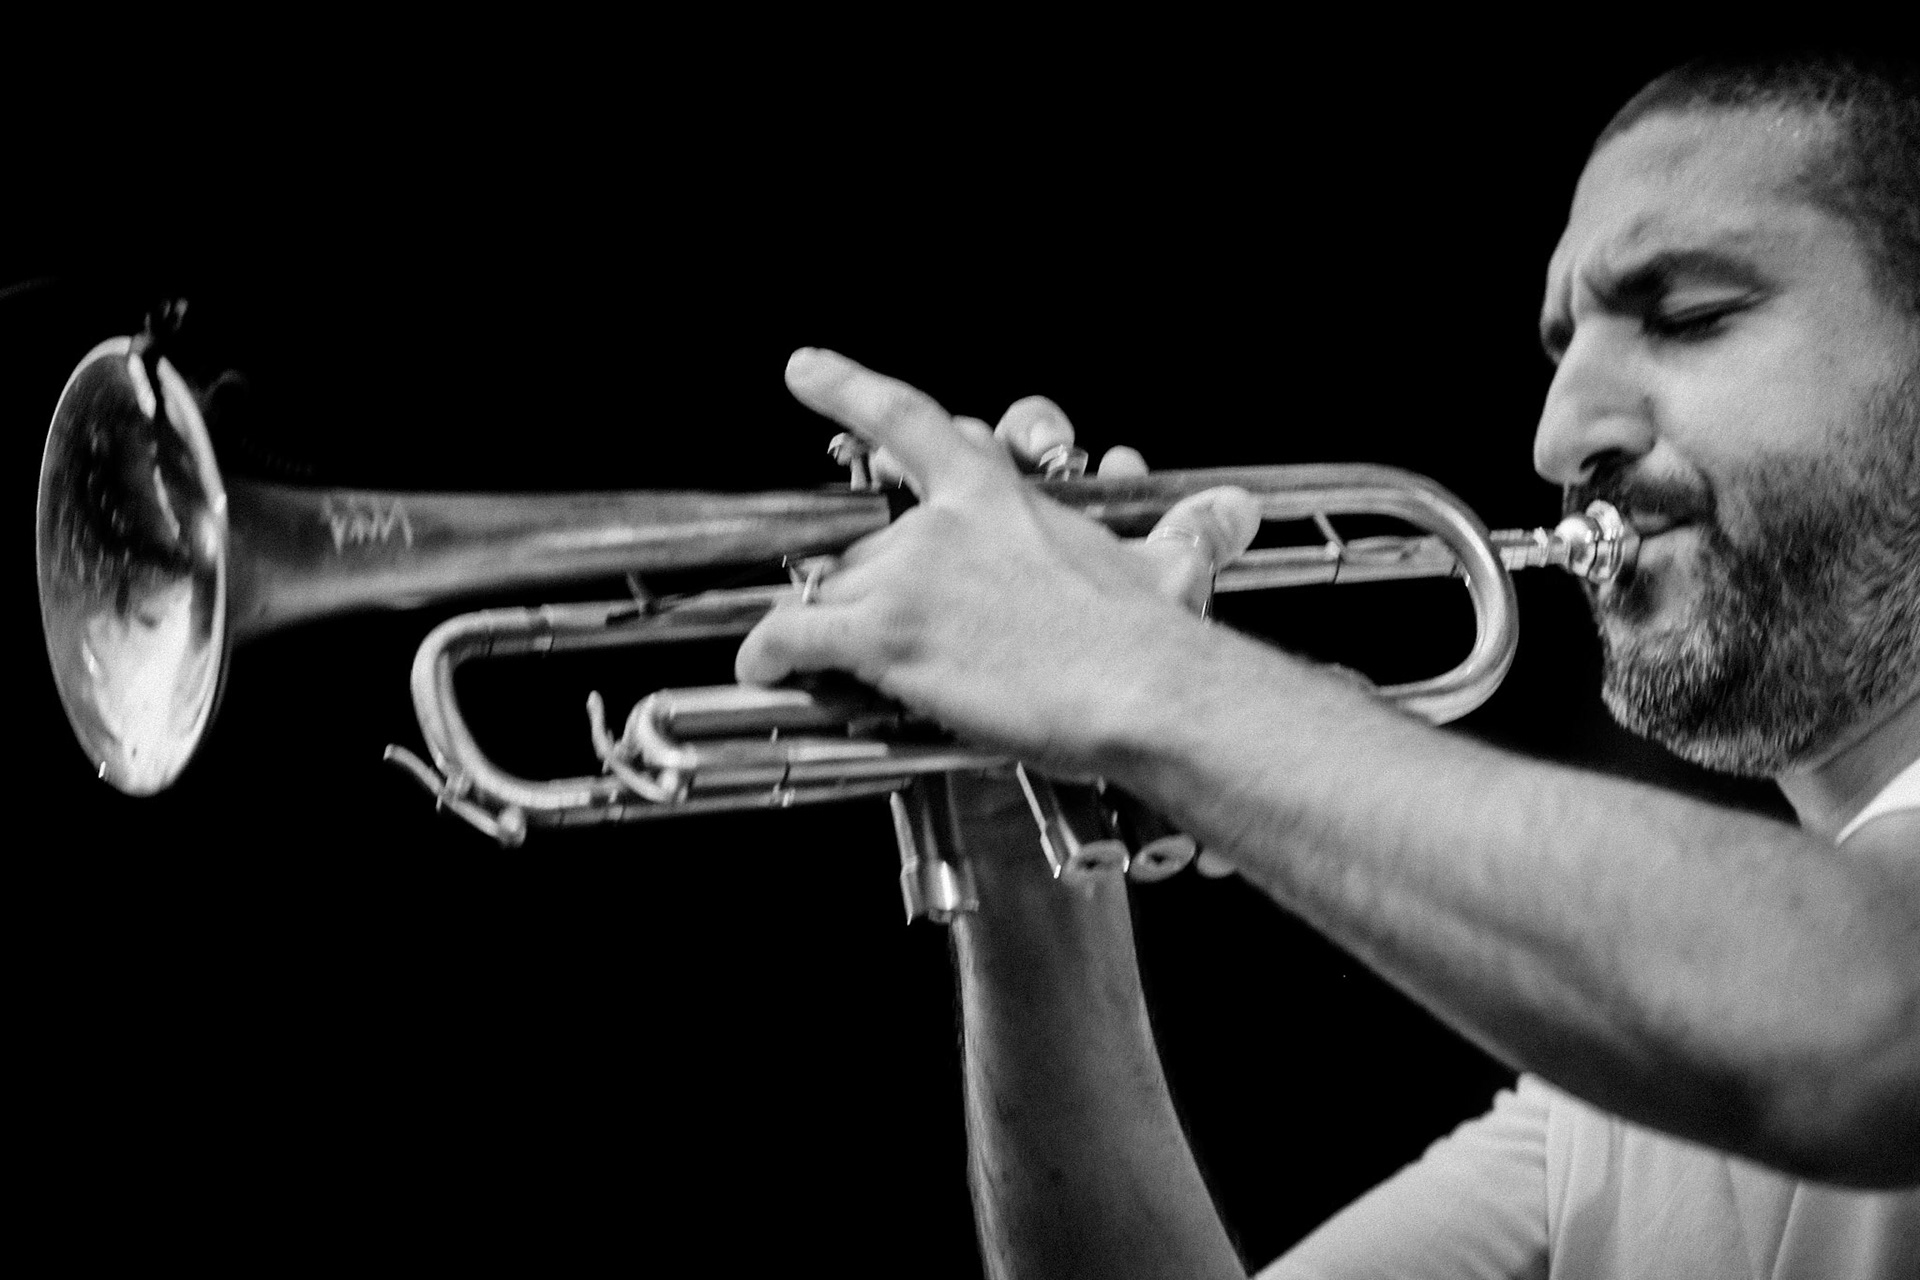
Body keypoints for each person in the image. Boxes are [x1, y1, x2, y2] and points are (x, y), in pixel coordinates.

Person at [737, 55, 1919, 1278]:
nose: (1558, 438)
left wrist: (1132, 670)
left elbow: (1862, 1014)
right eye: (1563, 351)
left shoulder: (1830, 991)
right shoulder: (1623, 1102)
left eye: (1690, 316)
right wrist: (1019, 827)